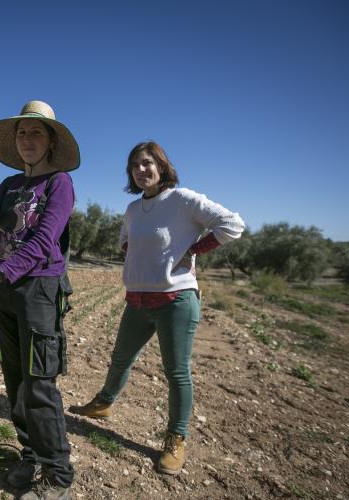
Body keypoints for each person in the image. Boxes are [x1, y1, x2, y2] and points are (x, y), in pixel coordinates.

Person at [71, 140, 245, 475]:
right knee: (121, 358)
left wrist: (192, 250)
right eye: (135, 166)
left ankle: (176, 439)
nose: (141, 170)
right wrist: (141, 259)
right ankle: (104, 404)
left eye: (147, 163)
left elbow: (232, 224)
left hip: (175, 300)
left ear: (161, 166)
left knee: (176, 372)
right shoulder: (133, 210)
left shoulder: (182, 199)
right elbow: (125, 239)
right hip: (137, 298)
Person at [0, 100, 78, 500]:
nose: (28, 139)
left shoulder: (59, 184)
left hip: (38, 292)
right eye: (22, 133)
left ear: (50, 141)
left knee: (39, 385)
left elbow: (45, 242)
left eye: (36, 133)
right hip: (5, 295)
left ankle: (59, 476)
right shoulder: (10, 185)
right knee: (14, 379)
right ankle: (31, 456)